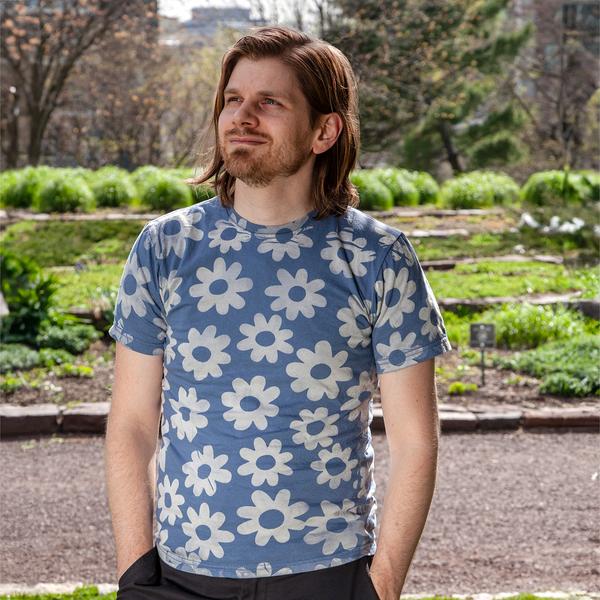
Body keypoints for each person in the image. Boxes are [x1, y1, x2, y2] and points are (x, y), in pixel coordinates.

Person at [105, 25, 452, 600]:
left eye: (269, 102)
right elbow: (133, 425)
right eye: (232, 100)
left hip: (327, 575)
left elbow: (416, 442)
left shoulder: (379, 259)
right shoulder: (164, 249)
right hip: (181, 575)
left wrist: (380, 588)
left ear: (324, 130)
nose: (242, 116)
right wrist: (135, 572)